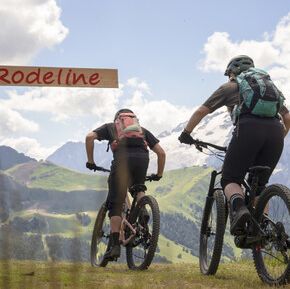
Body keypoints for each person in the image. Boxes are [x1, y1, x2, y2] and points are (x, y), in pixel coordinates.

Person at [179, 55, 290, 235]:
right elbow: (287, 118)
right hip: (276, 133)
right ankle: (262, 228)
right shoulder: (269, 89)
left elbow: (202, 111)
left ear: (232, 72)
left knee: (230, 178)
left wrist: (186, 133)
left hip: (248, 130)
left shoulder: (230, 86)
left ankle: (239, 209)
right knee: (260, 185)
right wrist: (278, 138)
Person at [86, 108, 166, 259]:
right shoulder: (142, 131)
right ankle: (143, 210)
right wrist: (159, 174)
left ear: (118, 120)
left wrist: (91, 162)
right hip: (142, 159)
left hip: (122, 160)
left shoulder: (110, 127)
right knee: (138, 187)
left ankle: (115, 245)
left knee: (115, 203)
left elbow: (90, 137)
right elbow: (161, 153)